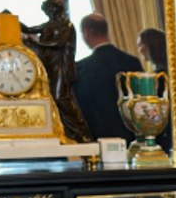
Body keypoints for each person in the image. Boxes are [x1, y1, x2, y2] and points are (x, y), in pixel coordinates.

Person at [72, 12, 169, 152]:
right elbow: (142, 103)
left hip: (97, 143)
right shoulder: (132, 62)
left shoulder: (81, 68)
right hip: (133, 141)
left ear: (86, 33)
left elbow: (79, 110)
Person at [21, 0, 94, 143]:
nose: (48, 13)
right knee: (55, 97)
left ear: (56, 9)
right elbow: (29, 29)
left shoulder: (65, 25)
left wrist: (37, 43)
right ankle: (69, 130)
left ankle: (81, 131)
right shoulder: (49, 24)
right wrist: (10, 19)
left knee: (61, 97)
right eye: (47, 11)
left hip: (61, 65)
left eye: (49, 9)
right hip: (49, 65)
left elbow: (58, 43)